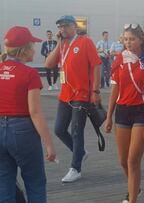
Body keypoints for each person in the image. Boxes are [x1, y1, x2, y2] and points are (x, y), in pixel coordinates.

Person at [104, 23, 144, 203]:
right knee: (123, 160)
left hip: (140, 112)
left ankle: (132, 198)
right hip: (122, 111)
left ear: (141, 40)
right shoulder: (119, 59)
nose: (128, 43)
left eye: (132, 39)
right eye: (125, 39)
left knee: (132, 160)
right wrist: (108, 117)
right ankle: (135, 187)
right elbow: (115, 90)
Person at [0, 26, 56, 202]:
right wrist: (49, 145)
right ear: (24, 50)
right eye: (32, 45)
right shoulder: (30, 74)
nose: (34, 49)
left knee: (4, 182)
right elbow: (35, 112)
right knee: (35, 181)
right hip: (22, 130)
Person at [44, 15, 102, 183]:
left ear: (74, 27)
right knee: (59, 129)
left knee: (77, 131)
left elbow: (97, 65)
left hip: (81, 94)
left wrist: (96, 90)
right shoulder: (63, 45)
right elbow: (48, 64)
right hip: (65, 94)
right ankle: (81, 153)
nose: (62, 29)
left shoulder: (85, 42)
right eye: (60, 27)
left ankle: (75, 168)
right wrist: (58, 44)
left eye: (65, 26)